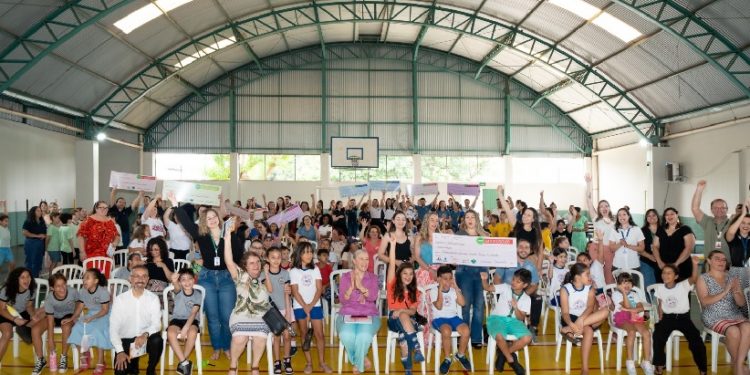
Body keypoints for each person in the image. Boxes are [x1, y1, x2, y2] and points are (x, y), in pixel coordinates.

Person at [170, 192, 244, 360]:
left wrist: (231, 235)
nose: (211, 219)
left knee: (226, 316)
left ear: (218, 217)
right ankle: (217, 347)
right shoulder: (201, 234)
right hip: (207, 278)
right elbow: (187, 223)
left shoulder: (229, 233)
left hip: (226, 278)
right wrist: (175, 205)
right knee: (212, 316)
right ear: (204, 221)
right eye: (208, 218)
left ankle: (227, 346)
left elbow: (239, 255)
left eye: (214, 216)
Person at [222, 218, 274, 375]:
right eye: (251, 263)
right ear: (245, 265)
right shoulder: (241, 276)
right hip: (240, 314)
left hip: (260, 316)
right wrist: (227, 239)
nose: (256, 265)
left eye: (257, 262)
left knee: (260, 337)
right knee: (240, 338)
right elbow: (229, 261)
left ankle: (255, 366)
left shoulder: (264, 278)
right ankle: (233, 365)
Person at [696, 250, 750, 375]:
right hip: (713, 314)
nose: (721, 261)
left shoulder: (732, 277)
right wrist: (725, 291)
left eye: (723, 259)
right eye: (717, 258)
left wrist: (736, 291)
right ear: (709, 261)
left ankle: (738, 363)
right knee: (733, 331)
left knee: (748, 327)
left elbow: (741, 303)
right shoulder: (703, 278)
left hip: (733, 313)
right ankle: (738, 365)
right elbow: (705, 301)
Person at [652, 258, 706, 375]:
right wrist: (660, 316)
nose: (665, 275)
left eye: (669, 273)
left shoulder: (683, 285)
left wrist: (694, 264)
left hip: (683, 319)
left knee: (696, 340)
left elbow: (694, 278)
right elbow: (661, 303)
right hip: (667, 318)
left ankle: (702, 368)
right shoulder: (660, 288)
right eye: (663, 273)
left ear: (676, 276)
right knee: (657, 337)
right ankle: (660, 365)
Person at [110, 265, 163, 375]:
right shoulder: (120, 300)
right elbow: (113, 328)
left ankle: (151, 370)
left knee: (157, 340)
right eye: (137, 276)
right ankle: (133, 365)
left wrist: (145, 334)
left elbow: (157, 324)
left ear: (148, 279)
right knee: (120, 372)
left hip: (144, 340)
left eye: (144, 276)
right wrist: (120, 351)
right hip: (126, 341)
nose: (140, 279)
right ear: (130, 279)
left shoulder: (153, 298)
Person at [559, 263, 609, 375]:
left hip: (586, 317)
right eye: (587, 275)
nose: (590, 277)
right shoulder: (565, 289)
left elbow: (590, 307)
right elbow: (565, 313)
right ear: (577, 277)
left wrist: (581, 319)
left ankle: (568, 330)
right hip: (570, 318)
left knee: (606, 310)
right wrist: (571, 323)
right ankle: (585, 369)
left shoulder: (590, 288)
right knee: (589, 331)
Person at [480, 268, 532, 375]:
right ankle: (511, 360)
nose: (513, 282)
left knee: (528, 338)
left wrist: (516, 307)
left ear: (525, 285)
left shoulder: (527, 298)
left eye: (518, 282)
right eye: (513, 279)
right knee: (499, 336)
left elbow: (521, 318)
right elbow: (487, 287)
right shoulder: (505, 287)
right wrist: (484, 279)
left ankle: (502, 355)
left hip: (514, 321)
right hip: (497, 318)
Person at [290, 241, 331, 373]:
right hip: (299, 306)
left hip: (315, 305)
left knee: (319, 334)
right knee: (304, 334)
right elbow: (295, 292)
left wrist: (311, 305)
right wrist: (305, 306)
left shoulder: (316, 269)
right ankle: (309, 363)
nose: (309, 254)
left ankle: (322, 362)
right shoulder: (293, 271)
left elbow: (319, 289)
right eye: (306, 252)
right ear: (299, 254)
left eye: (310, 252)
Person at [337, 249, 380, 374]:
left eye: (367, 259)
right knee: (346, 335)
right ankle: (361, 358)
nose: (365, 262)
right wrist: (350, 289)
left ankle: (358, 366)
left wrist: (361, 287)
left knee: (364, 336)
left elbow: (372, 297)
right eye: (361, 258)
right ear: (354, 261)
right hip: (347, 313)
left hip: (369, 314)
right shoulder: (345, 277)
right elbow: (343, 301)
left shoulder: (373, 278)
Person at [386, 233, 424, 375]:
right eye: (404, 274)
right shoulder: (392, 286)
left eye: (410, 274)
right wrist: (393, 245)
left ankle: (408, 368)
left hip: (408, 320)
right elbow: (391, 263)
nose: (408, 277)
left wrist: (402, 310)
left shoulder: (414, 292)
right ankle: (417, 347)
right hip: (393, 319)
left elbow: (413, 311)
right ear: (399, 274)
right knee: (402, 316)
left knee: (403, 336)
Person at [454, 209, 489, 348]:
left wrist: (486, 271)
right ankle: (464, 335)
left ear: (477, 219)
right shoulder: (459, 235)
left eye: (472, 217)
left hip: (481, 273)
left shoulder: (485, 235)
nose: (469, 219)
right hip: (464, 272)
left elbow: (489, 256)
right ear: (464, 220)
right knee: (466, 305)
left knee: (479, 306)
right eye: (467, 217)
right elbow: (453, 254)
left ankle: (476, 338)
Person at [67, 268, 112, 374]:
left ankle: (101, 361)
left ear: (96, 281)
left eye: (87, 278)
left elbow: (105, 310)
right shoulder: (82, 291)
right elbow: (80, 307)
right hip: (91, 314)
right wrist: (72, 318)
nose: (84, 280)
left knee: (97, 330)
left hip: (105, 315)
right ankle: (84, 354)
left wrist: (92, 318)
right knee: (77, 329)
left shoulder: (103, 292)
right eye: (83, 278)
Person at [31, 272, 77, 373]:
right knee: (35, 330)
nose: (62, 288)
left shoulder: (73, 292)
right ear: (52, 288)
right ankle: (41, 359)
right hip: (54, 316)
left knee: (66, 327)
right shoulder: (49, 299)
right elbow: (50, 320)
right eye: (58, 286)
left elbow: (79, 304)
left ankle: (63, 357)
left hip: (68, 316)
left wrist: (74, 317)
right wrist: (50, 340)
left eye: (64, 284)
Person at [430, 265, 472, 374]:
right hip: (439, 319)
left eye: (450, 278)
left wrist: (457, 288)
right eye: (445, 278)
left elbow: (463, 303)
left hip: (453, 318)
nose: (448, 281)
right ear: (439, 279)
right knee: (446, 331)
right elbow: (439, 306)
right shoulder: (433, 291)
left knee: (466, 330)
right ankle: (448, 358)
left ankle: (460, 354)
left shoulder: (453, 291)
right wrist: (440, 289)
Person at [610, 272, 654, 375]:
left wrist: (630, 309)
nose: (627, 285)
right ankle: (630, 362)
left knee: (647, 333)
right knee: (632, 332)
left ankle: (646, 362)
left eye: (629, 282)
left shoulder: (635, 294)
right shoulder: (616, 294)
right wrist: (624, 295)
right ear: (619, 285)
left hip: (635, 318)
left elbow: (641, 308)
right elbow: (626, 306)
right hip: (622, 318)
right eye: (624, 283)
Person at [261, 246, 294, 375]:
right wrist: (267, 273)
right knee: (276, 336)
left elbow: (287, 294)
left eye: (278, 257)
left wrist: (288, 314)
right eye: (273, 257)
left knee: (287, 336)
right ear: (267, 259)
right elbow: (269, 289)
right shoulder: (263, 275)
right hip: (272, 312)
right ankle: (277, 361)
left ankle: (287, 359)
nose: (276, 260)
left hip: (285, 309)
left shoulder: (286, 273)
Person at [166, 268, 202, 375]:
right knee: (170, 333)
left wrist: (186, 327)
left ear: (194, 279)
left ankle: (182, 362)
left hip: (192, 320)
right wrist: (174, 280)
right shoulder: (178, 291)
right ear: (180, 282)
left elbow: (193, 313)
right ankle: (185, 363)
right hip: (177, 319)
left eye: (189, 279)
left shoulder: (198, 294)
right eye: (183, 279)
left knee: (192, 333)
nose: (187, 282)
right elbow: (175, 285)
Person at [0, 267, 37, 367]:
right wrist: (14, 319)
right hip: (5, 314)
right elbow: (1, 309)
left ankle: (40, 360)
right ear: (16, 279)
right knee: (7, 333)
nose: (26, 280)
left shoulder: (32, 289)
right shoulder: (6, 289)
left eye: (28, 277)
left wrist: (33, 315)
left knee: (34, 332)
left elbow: (29, 306)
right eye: (23, 277)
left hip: (21, 313)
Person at [585, 174, 615, 283]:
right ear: (598, 209)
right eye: (601, 206)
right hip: (596, 247)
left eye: (606, 205)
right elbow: (588, 200)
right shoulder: (596, 218)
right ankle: (597, 294)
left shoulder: (614, 222)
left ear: (609, 208)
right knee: (596, 272)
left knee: (608, 273)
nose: (604, 208)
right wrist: (589, 183)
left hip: (609, 249)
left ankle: (608, 296)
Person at [692, 180, 731, 259]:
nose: (719, 210)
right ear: (711, 210)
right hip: (709, 263)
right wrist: (699, 190)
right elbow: (695, 208)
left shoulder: (733, 223)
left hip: (727, 264)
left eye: (722, 208)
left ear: (727, 209)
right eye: (716, 208)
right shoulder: (707, 221)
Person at [654, 208, 695, 280]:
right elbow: (655, 246)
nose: (669, 216)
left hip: (681, 267)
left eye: (672, 214)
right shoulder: (660, 229)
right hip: (663, 267)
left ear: (677, 215)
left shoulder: (685, 229)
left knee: (681, 289)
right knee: (662, 289)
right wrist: (659, 262)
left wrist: (676, 264)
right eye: (667, 215)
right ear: (664, 217)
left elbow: (689, 248)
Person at [604, 208, 645, 274]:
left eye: (624, 214)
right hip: (618, 265)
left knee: (634, 284)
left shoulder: (636, 229)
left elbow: (642, 248)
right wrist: (620, 243)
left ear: (628, 216)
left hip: (633, 265)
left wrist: (628, 246)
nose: (621, 217)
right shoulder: (614, 230)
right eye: (619, 215)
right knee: (620, 285)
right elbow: (611, 248)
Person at [22, 205, 47, 277]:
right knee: (30, 262)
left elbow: (44, 232)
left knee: (39, 261)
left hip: (40, 244)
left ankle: (36, 277)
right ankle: (29, 278)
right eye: (38, 211)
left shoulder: (42, 221)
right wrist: (38, 236)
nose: (40, 212)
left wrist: (44, 236)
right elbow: (24, 232)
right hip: (31, 243)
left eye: (40, 211)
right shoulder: (28, 221)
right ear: (33, 212)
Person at [724, 197, 750, 267]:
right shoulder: (733, 237)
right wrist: (743, 214)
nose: (746, 225)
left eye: (749, 223)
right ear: (738, 224)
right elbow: (731, 232)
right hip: (736, 271)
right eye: (743, 223)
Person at [641, 209, 661, 285]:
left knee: (661, 285)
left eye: (653, 215)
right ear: (646, 218)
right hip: (647, 261)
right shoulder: (642, 230)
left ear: (657, 217)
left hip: (661, 261)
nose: (651, 217)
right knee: (649, 285)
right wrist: (650, 256)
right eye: (649, 216)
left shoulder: (663, 229)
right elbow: (639, 248)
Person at [0, 201, 14, 273]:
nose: (7, 223)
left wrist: (5, 205)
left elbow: (6, 214)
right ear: (0, 222)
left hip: (8, 249)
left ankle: (9, 277)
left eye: (7, 221)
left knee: (12, 263)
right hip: (1, 249)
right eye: (5, 221)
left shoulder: (6, 228)